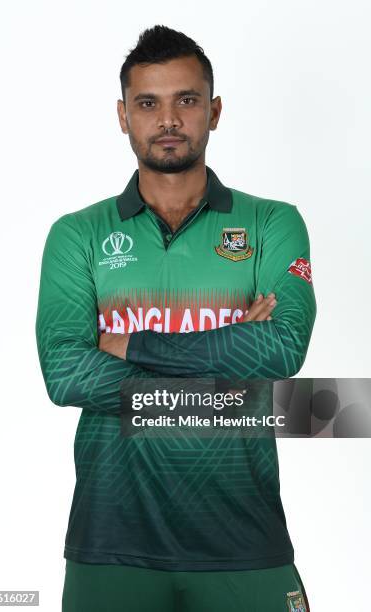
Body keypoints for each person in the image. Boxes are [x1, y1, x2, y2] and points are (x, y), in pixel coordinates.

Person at [35, 24, 316, 612]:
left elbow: (284, 350)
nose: (168, 119)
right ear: (123, 116)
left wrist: (127, 344)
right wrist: (229, 378)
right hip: (110, 541)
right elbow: (64, 373)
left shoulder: (272, 224)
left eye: (186, 100)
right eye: (148, 103)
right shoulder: (78, 235)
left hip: (246, 540)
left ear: (213, 112)